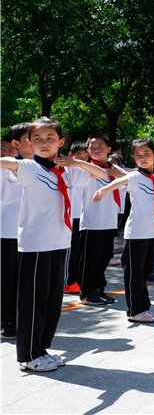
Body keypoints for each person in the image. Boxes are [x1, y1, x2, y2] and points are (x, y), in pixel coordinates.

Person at [1, 117, 107, 371]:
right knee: (32, 302)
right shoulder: (27, 167)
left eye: (50, 138)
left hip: (60, 242)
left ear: (61, 142)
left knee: (51, 302)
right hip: (35, 245)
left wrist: (76, 161)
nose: (44, 143)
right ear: (28, 143)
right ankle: (28, 356)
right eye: (37, 139)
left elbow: (102, 173)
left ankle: (42, 350)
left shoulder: (67, 170)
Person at [93, 138, 154, 323]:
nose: (142, 158)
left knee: (146, 272)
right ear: (133, 158)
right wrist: (104, 190)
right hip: (137, 233)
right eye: (138, 156)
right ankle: (135, 310)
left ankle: (144, 307)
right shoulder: (135, 177)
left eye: (146, 154)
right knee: (134, 273)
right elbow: (118, 182)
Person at [80, 133, 128, 306]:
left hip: (109, 220)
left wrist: (119, 175)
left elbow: (131, 183)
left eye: (100, 146)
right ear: (87, 151)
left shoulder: (115, 169)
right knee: (90, 260)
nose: (96, 150)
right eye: (92, 147)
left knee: (103, 258)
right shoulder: (85, 168)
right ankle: (86, 292)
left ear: (108, 150)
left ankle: (99, 289)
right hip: (91, 222)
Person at [0, 122, 31, 340]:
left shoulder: (42, 166)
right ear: (16, 144)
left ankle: (23, 319)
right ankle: (7, 322)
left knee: (26, 280)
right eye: (32, 138)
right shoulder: (7, 164)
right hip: (8, 231)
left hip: (33, 232)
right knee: (8, 279)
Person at [64, 142, 89, 293]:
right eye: (78, 157)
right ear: (70, 155)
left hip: (80, 216)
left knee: (78, 250)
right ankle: (67, 281)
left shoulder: (85, 172)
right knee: (70, 250)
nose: (81, 161)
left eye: (85, 158)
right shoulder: (65, 171)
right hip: (69, 216)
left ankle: (74, 278)